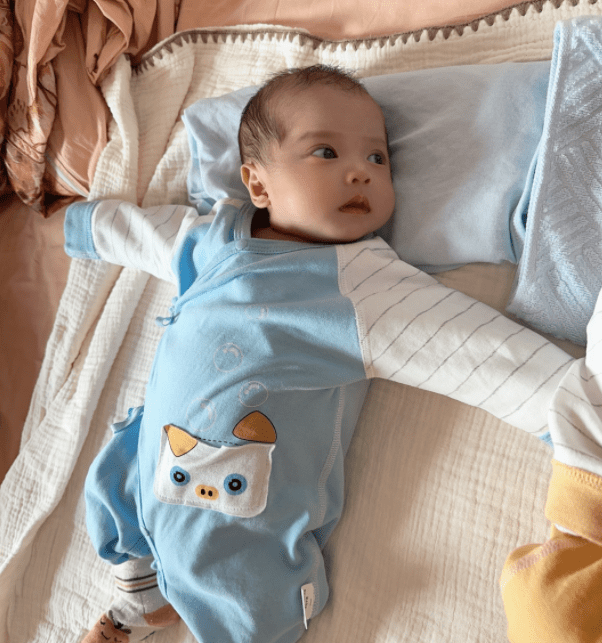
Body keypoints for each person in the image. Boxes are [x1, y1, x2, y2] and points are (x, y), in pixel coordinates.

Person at [66, 65, 574, 643]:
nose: (361, 172)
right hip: (156, 456)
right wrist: (86, 227)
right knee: (112, 492)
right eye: (326, 152)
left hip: (246, 517)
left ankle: (181, 604)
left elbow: (472, 351)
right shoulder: (215, 237)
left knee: (244, 605)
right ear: (258, 185)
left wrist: (570, 405)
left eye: (378, 158)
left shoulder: (356, 282)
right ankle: (142, 601)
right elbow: (153, 236)